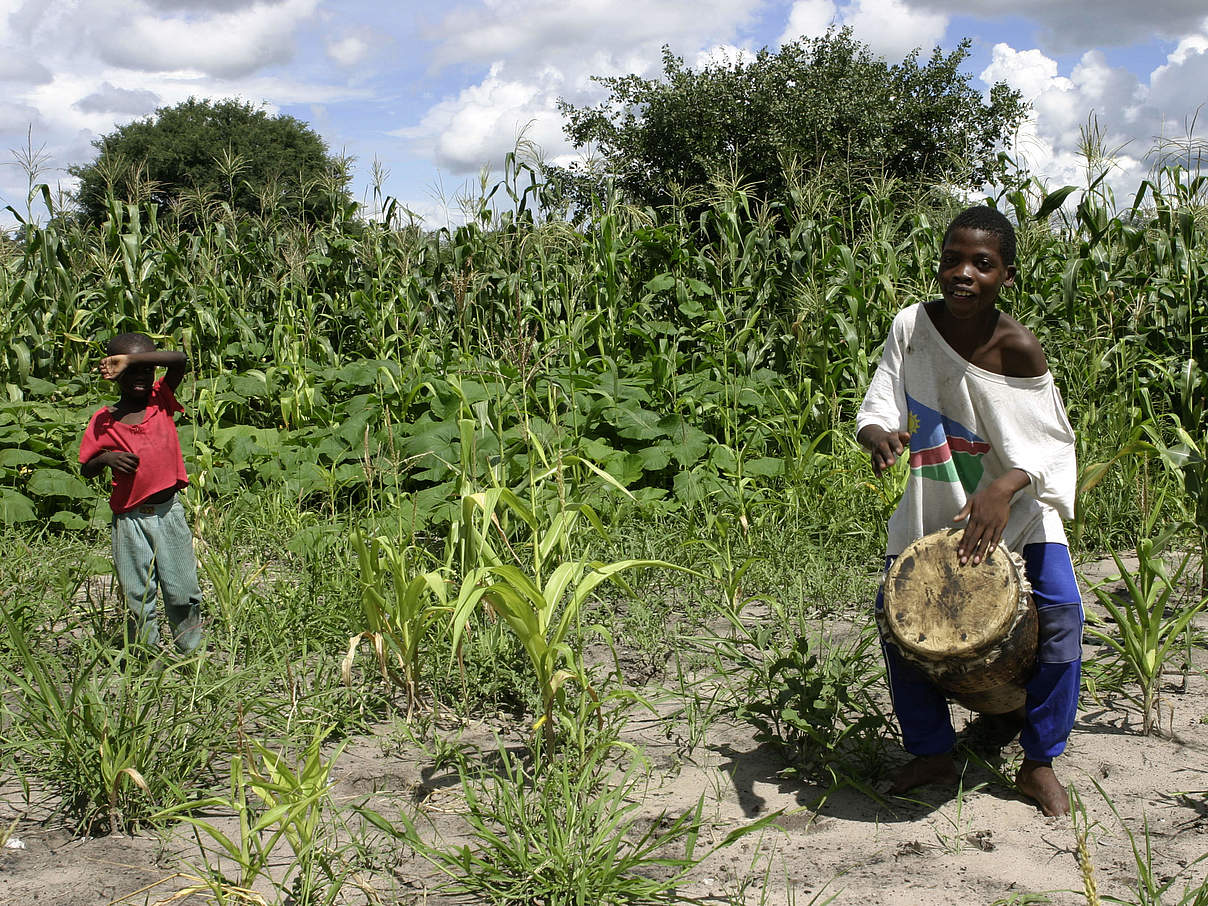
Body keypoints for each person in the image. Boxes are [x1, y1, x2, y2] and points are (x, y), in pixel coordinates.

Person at [856, 205, 1082, 817]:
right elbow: (878, 401)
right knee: (896, 624)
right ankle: (932, 751)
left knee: (1061, 618)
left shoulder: (1018, 349)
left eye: (982, 264)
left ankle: (1039, 763)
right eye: (952, 259)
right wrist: (877, 433)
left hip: (1020, 517)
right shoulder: (911, 326)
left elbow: (1055, 448)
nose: (963, 273)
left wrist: (1005, 486)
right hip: (932, 515)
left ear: (1006, 274)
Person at [79, 332, 203, 656]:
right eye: (129, 371)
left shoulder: (160, 399)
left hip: (169, 514)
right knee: (137, 595)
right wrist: (106, 458)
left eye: (145, 369)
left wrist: (131, 360)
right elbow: (86, 467)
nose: (139, 377)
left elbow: (179, 360)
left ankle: (189, 654)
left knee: (182, 591)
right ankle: (146, 657)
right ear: (114, 375)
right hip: (130, 521)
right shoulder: (104, 421)